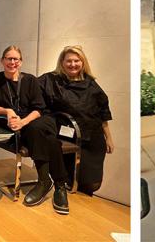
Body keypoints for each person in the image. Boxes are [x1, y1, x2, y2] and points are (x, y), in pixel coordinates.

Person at [0, 45, 70, 214]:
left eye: (15, 59)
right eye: (9, 58)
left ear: (21, 62)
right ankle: (59, 186)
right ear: (2, 61)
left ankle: (45, 181)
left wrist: (23, 122)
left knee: (36, 128)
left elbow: (39, 109)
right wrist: (9, 111)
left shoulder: (30, 80)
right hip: (7, 123)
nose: (12, 62)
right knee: (50, 140)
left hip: (33, 120)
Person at [38, 46, 114, 196]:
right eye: (69, 61)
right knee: (70, 180)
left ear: (82, 62)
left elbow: (103, 112)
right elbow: (33, 97)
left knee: (92, 184)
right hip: (67, 135)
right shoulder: (50, 80)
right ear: (62, 62)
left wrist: (109, 138)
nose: (73, 64)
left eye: (76, 60)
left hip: (93, 138)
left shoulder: (91, 83)